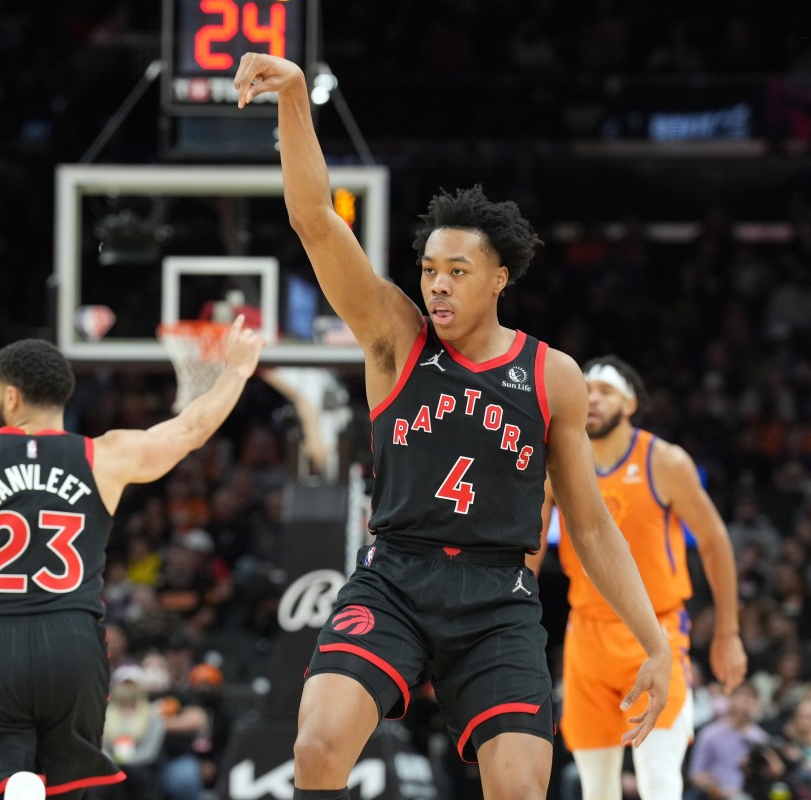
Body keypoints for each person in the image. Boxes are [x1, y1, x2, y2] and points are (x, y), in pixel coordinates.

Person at [234, 54, 672, 800]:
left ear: (499, 277)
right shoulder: (395, 335)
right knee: (317, 745)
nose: (437, 282)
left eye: (458, 271)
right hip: (397, 575)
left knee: (521, 784)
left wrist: (655, 640)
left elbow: (591, 527)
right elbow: (312, 221)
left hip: (497, 593)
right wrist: (296, 99)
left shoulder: (550, 375)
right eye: (431, 267)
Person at [0, 324, 264, 800]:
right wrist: (236, 370)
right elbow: (191, 430)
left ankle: (17, 788)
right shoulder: (103, 455)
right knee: (66, 789)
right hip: (72, 642)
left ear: (10, 397)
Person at [537, 356, 747, 800]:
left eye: (606, 391)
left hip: (656, 631)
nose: (593, 398)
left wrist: (727, 632)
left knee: (658, 782)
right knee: (596, 790)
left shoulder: (665, 461)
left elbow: (715, 542)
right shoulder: (558, 464)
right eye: (586, 389)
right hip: (587, 634)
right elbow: (529, 551)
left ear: (631, 403)